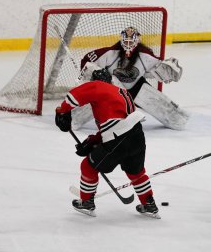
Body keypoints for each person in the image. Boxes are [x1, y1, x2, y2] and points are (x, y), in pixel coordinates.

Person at [55, 68, 160, 219]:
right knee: (136, 173)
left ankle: (86, 203)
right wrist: (94, 141)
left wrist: (62, 111)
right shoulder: (122, 93)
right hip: (137, 136)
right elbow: (118, 121)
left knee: (88, 167)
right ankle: (149, 204)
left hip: (119, 137)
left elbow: (75, 95)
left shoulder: (98, 85)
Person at [71, 26, 189, 131]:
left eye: (131, 42)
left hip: (136, 88)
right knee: (73, 120)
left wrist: (167, 69)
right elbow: (87, 61)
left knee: (178, 120)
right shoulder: (110, 53)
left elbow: (153, 70)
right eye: (125, 42)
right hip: (111, 89)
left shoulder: (145, 55)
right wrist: (95, 72)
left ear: (137, 41)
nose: (128, 46)